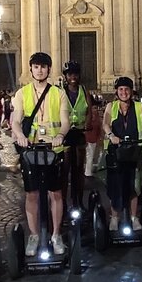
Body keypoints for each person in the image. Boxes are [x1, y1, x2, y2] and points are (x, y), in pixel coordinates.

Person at [12, 52, 70, 256]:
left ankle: (56, 235)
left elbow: (65, 120)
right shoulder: (22, 94)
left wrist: (61, 134)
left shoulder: (58, 93)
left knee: (56, 193)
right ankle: (34, 234)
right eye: (36, 67)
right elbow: (16, 119)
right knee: (32, 194)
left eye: (43, 67)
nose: (40, 70)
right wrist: (19, 135)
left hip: (54, 149)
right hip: (31, 149)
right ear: (31, 69)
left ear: (49, 69)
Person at [103, 76, 142, 231]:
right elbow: (106, 124)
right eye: (120, 89)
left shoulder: (138, 106)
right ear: (116, 92)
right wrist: (111, 136)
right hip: (116, 152)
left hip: (134, 152)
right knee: (116, 185)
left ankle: (134, 218)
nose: (124, 92)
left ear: (131, 91)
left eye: (126, 89)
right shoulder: (111, 106)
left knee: (134, 186)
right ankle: (115, 217)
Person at [60, 61, 92, 211]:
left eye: (75, 74)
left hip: (79, 133)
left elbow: (89, 110)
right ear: (66, 77)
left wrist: (88, 123)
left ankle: (78, 201)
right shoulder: (59, 92)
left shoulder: (84, 90)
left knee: (79, 170)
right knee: (64, 170)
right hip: (65, 134)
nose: (73, 77)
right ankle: (63, 203)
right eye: (70, 74)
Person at [84, 98, 103, 177]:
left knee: (91, 156)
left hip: (93, 139)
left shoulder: (97, 118)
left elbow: (100, 129)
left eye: (96, 108)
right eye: (94, 108)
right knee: (89, 156)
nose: (95, 110)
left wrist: (100, 138)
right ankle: (87, 173)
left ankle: (88, 171)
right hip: (87, 139)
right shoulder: (87, 117)